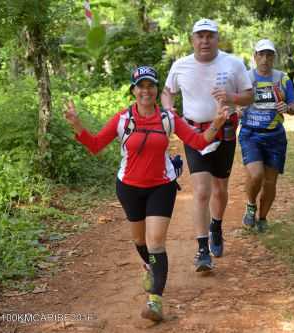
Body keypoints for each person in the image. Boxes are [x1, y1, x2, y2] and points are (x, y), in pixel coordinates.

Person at [65, 66, 229, 321]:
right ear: (133, 90)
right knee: (140, 242)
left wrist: (217, 124)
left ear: (156, 89)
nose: (146, 90)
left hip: (161, 186)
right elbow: (96, 145)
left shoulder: (168, 118)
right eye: (140, 86)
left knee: (155, 243)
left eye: (150, 85)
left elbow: (197, 142)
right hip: (129, 187)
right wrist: (77, 125)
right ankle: (149, 265)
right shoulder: (122, 119)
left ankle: (155, 302)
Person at [161, 18, 253, 270]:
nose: (204, 41)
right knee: (201, 190)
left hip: (224, 131)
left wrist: (232, 97)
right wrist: (169, 110)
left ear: (217, 39)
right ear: (192, 40)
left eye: (209, 36)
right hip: (194, 133)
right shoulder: (181, 65)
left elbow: (249, 95)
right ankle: (202, 250)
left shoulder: (233, 63)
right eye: (199, 36)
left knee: (220, 188)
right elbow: (168, 91)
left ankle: (216, 225)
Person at [240, 39, 294, 232]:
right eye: (261, 55)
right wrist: (237, 109)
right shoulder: (245, 78)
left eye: (269, 55)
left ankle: (263, 218)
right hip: (250, 133)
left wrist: (288, 108)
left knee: (270, 182)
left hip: (275, 135)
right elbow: (233, 100)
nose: (265, 59)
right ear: (255, 56)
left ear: (273, 57)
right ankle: (250, 205)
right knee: (256, 174)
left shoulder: (282, 79)